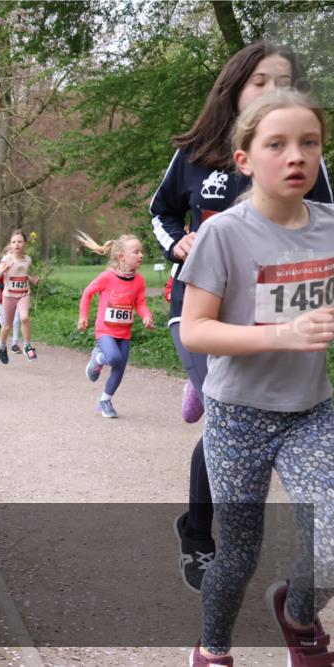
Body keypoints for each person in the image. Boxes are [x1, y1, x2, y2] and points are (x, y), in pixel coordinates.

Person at [149, 41, 333, 592]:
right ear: (235, 88)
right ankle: (198, 536)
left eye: (285, 82)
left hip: (277, 313)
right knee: (230, 413)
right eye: (261, 81)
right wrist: (179, 243)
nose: (274, 91)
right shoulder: (194, 153)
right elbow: (160, 212)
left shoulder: (305, 160)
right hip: (200, 316)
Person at [178, 89, 334, 667]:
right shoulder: (225, 233)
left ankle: (297, 615)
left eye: (309, 143)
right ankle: (212, 648)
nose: (296, 156)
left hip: (311, 410)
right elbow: (195, 331)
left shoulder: (330, 227)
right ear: (244, 159)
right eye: (277, 144)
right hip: (238, 414)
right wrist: (282, 334)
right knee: (239, 555)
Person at [76, 232, 154, 418]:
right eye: (136, 252)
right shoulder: (107, 277)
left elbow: (140, 303)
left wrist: (146, 316)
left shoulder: (139, 281)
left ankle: (105, 400)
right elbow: (87, 293)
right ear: (121, 256)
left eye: (141, 252)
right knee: (113, 358)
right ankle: (99, 358)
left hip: (124, 332)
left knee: (119, 368)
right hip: (105, 330)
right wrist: (82, 317)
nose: (141, 255)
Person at [0, 230, 39, 363]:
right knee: (7, 325)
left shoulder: (27, 259)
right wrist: (3, 269)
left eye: (19, 241)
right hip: (9, 295)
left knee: (24, 318)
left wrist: (31, 280)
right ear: (11, 245)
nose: (17, 244)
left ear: (24, 243)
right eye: (14, 242)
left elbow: (22, 274)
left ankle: (27, 346)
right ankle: (2, 346)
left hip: (24, 293)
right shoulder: (7, 259)